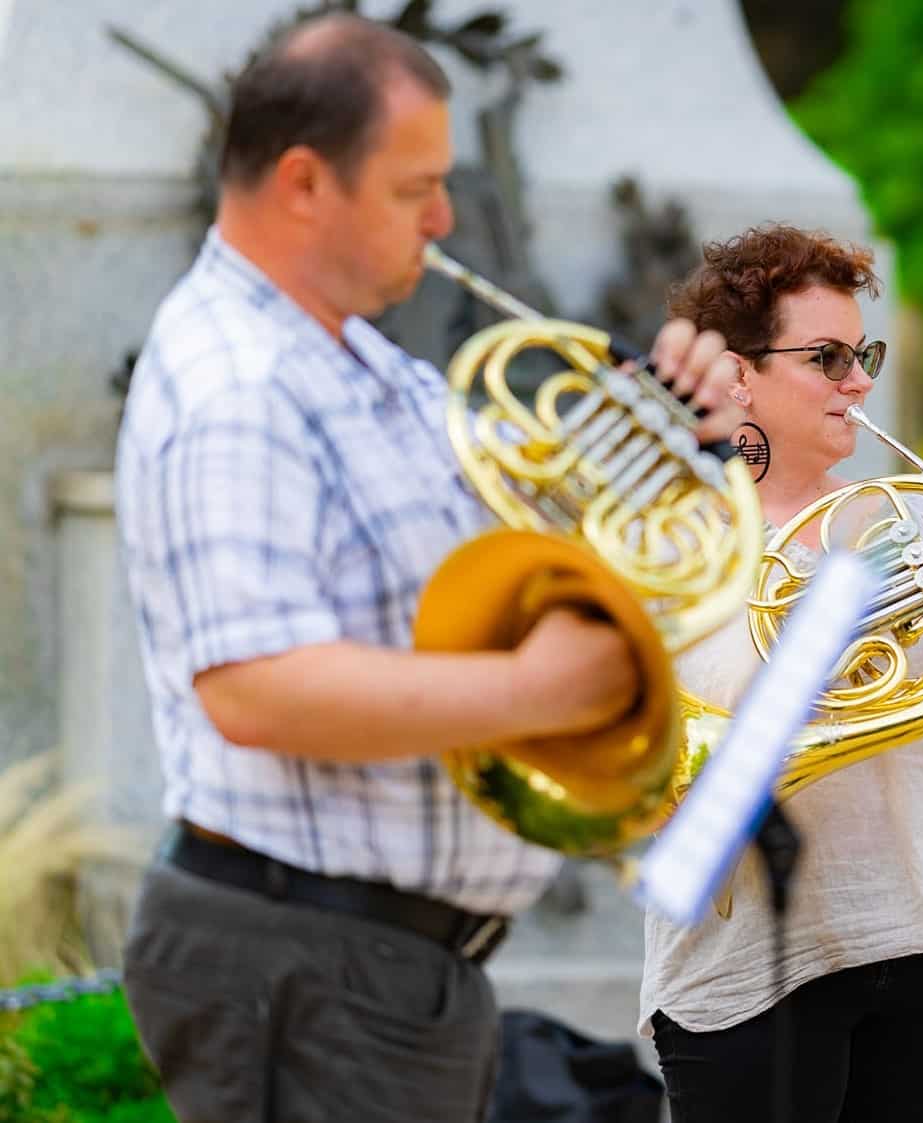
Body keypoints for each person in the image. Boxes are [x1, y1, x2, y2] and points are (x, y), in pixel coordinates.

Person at [113, 14, 741, 1123]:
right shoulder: (239, 384)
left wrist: (666, 424)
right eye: (416, 189)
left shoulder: (359, 361)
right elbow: (254, 688)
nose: (446, 220)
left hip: (370, 972)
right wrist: (537, 689)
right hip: (306, 967)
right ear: (305, 183)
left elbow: (529, 540)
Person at [637, 224, 923, 1123]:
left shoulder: (919, 528)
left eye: (864, 355)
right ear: (738, 375)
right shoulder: (670, 546)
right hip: (749, 973)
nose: (860, 382)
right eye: (827, 357)